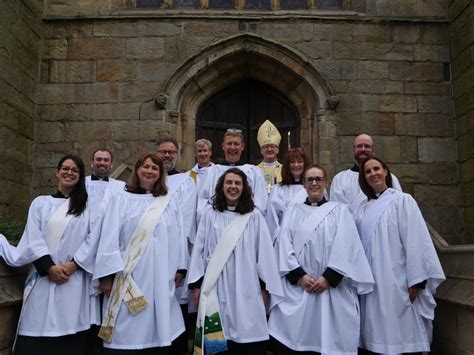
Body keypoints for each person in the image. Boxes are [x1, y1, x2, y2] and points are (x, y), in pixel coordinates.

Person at [267, 165, 374, 355]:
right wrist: (299, 276)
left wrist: (328, 278)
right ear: (304, 185)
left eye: (318, 179)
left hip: (332, 290)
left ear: (326, 182)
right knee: (293, 339)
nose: (314, 183)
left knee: (330, 339)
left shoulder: (341, 211)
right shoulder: (292, 211)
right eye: (309, 179)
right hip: (299, 288)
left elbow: (347, 245)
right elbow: (283, 246)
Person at [0, 155, 98, 355]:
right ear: (57, 172)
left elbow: (93, 239)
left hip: (73, 279)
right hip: (43, 277)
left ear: (80, 176)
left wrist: (72, 266)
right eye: (65, 168)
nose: (69, 173)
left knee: (70, 328)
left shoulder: (89, 208)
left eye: (74, 170)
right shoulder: (40, 203)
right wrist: (49, 267)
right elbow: (33, 237)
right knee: (37, 323)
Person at [93, 154, 188, 354]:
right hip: (128, 274)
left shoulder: (168, 201)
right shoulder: (121, 198)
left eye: (155, 168)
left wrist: (181, 267)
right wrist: (107, 276)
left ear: (161, 174)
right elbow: (108, 237)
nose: (150, 171)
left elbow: (179, 234)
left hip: (162, 275)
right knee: (129, 323)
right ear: (137, 170)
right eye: (146, 166)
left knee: (161, 317)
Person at [353, 157, 445, 354]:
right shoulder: (362, 209)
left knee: (403, 333)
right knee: (375, 333)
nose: (373, 174)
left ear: (386, 171)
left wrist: (417, 281)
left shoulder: (402, 200)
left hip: (399, 279)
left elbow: (416, 240)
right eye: (367, 172)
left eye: (376, 169)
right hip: (373, 281)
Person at [188, 168, 283, 355]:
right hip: (215, 286)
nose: (233, 187)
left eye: (237, 183)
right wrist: (197, 286)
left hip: (247, 286)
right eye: (229, 183)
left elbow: (264, 254)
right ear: (221, 187)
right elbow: (198, 250)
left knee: (247, 335)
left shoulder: (254, 217)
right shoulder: (210, 215)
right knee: (217, 340)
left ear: (244, 188)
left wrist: (265, 287)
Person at [197, 129, 267, 222]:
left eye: (236, 144)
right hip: (216, 225)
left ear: (242, 146)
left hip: (245, 224)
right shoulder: (211, 172)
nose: (233, 147)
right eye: (229, 143)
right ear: (223, 146)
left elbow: (260, 204)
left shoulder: (254, 172)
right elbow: (202, 203)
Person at [330, 134, 402, 206]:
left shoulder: (387, 177)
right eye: (359, 146)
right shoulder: (340, 179)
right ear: (353, 150)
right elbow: (338, 209)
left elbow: (399, 203)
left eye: (367, 146)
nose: (363, 149)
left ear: (373, 150)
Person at [265, 148, 311, 241]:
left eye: (300, 161)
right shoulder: (278, 190)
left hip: (308, 237)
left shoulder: (313, 188)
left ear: (305, 164)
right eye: (292, 162)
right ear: (287, 165)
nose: (296, 165)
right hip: (283, 239)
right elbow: (271, 220)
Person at [256, 120, 282, 193]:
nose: (269, 149)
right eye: (266, 146)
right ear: (261, 150)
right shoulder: (255, 170)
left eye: (272, 146)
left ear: (277, 150)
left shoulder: (285, 170)